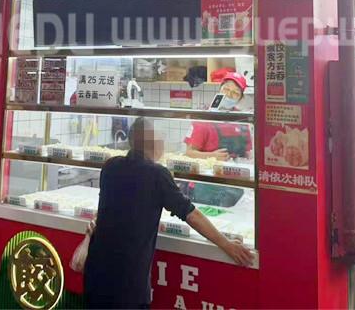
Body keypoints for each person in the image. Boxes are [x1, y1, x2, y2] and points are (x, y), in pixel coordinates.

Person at [84, 117, 253, 309]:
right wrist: (226, 244)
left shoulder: (110, 166)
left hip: (96, 274)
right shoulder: (157, 174)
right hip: (128, 283)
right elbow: (191, 214)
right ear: (152, 142)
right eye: (160, 137)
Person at [184, 72, 252, 161]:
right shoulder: (204, 117)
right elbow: (189, 153)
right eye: (226, 89)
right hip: (211, 168)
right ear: (219, 90)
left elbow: (248, 152)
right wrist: (211, 156)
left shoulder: (241, 119)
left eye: (235, 93)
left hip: (237, 168)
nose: (229, 95)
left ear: (240, 98)